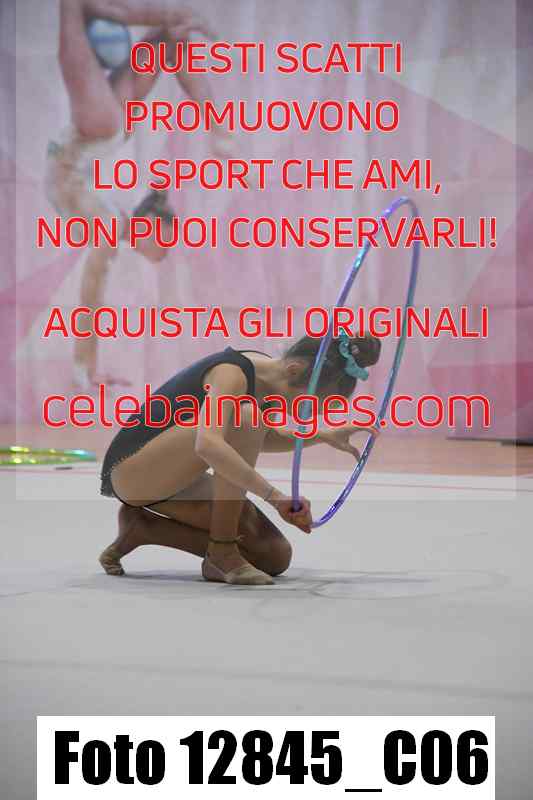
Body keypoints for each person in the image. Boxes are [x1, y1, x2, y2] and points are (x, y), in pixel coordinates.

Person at [45, 0, 231, 389]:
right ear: (151, 227)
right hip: (87, 143)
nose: (164, 253)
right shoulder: (110, 225)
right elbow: (90, 297)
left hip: (97, 138)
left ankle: (217, 126)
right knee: (78, 12)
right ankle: (217, 126)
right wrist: (84, 371)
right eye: (165, 243)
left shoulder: (112, 218)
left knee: (165, 42)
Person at [99, 333, 382, 586]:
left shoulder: (269, 380)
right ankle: (221, 552)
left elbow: (258, 437)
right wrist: (274, 497)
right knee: (247, 417)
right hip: (134, 471)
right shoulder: (231, 373)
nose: (306, 415)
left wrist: (321, 435)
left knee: (273, 556)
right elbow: (208, 444)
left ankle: (144, 529)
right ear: (293, 370)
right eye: (308, 405)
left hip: (180, 477)